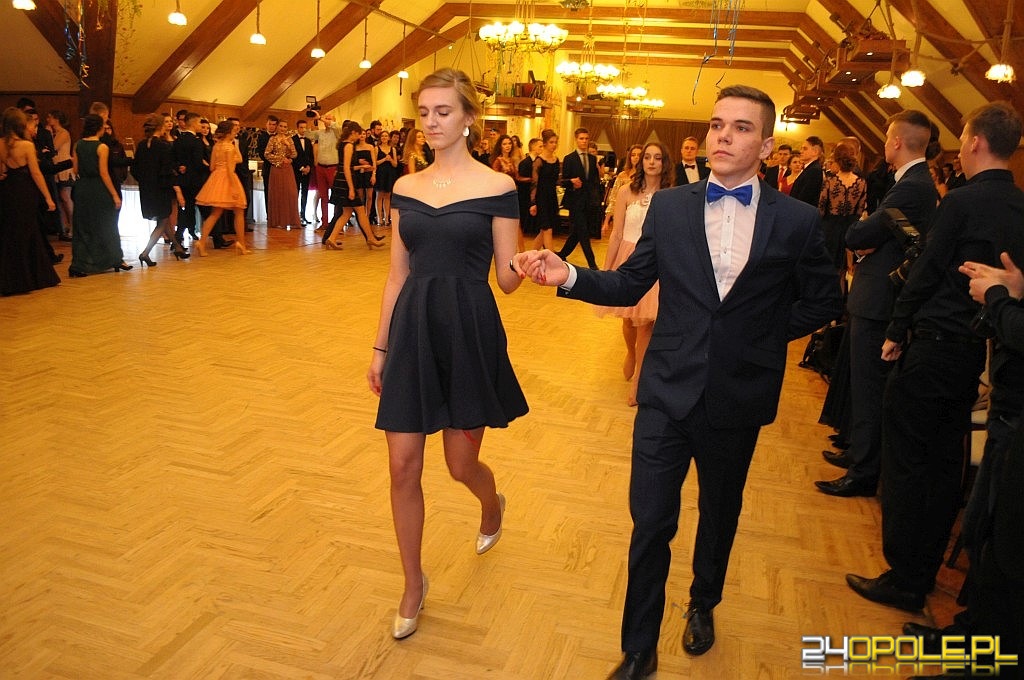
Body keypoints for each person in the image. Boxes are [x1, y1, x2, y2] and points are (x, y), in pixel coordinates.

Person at [516, 84, 842, 680]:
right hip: (665, 390)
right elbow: (629, 283)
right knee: (651, 522)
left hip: (737, 395)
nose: (724, 136)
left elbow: (823, 299)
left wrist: (760, 337)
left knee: (719, 513)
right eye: (717, 124)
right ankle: (639, 647)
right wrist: (570, 275)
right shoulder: (669, 208)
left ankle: (703, 603)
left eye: (741, 127)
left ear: (767, 144)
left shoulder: (797, 220)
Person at [367, 68, 527, 642]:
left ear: (468, 119)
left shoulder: (497, 185)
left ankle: (491, 502)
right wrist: (380, 347)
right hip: (412, 329)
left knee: (460, 465)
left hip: (468, 332)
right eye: (424, 113)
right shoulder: (406, 187)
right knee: (402, 466)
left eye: (443, 111)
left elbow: (506, 278)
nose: (431, 122)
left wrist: (528, 265)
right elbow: (396, 275)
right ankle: (413, 583)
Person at [846, 101, 1024, 615]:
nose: (961, 148)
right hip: (975, 349)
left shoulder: (962, 202)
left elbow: (925, 269)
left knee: (906, 465)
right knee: (944, 467)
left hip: (931, 346)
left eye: (963, 139)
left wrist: (895, 329)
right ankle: (921, 571)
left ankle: (904, 577)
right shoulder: (1019, 206)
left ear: (975, 142)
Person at [816, 110, 940, 499]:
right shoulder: (909, 182)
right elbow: (878, 231)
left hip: (880, 300)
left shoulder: (912, 186)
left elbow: (860, 233)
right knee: (861, 384)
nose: (885, 144)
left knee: (869, 389)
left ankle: (864, 472)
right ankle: (858, 452)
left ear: (897, 142)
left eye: (887, 138)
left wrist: (864, 228)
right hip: (874, 296)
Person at [595, 142, 673, 406]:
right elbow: (616, 233)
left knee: (646, 323)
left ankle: (640, 379)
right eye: (647, 157)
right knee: (628, 319)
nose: (651, 162)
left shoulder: (671, 195)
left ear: (664, 163)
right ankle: (630, 352)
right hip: (628, 256)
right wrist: (607, 269)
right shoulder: (626, 191)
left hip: (655, 261)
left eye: (657, 158)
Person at [0, 107, 60, 295]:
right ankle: (30, 278)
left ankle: (10, 279)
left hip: (6, 191)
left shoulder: (0, 144)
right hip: (25, 192)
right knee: (28, 232)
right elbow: (36, 173)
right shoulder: (26, 145)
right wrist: (48, 197)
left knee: (9, 233)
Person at [69, 114, 132, 276]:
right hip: (98, 188)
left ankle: (79, 264)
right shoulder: (102, 147)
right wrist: (114, 195)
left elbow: (75, 170)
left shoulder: (78, 144)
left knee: (83, 226)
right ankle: (114, 259)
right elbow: (104, 173)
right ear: (98, 128)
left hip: (82, 188)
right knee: (106, 224)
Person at [321, 121, 386, 250]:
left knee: (346, 213)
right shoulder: (349, 145)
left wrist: (362, 167)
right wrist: (351, 188)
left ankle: (331, 238)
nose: (359, 136)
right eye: (358, 134)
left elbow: (346, 166)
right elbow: (346, 167)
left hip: (341, 181)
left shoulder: (342, 144)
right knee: (360, 211)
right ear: (353, 132)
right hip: (346, 183)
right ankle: (371, 238)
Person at [134, 113, 189, 265]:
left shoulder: (141, 145)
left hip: (146, 189)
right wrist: (177, 179)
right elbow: (166, 169)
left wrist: (145, 181)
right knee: (163, 221)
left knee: (163, 220)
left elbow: (135, 169)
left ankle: (177, 247)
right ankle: (145, 253)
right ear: (160, 127)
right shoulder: (163, 146)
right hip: (161, 188)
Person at [193, 120, 250, 256]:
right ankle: (241, 244)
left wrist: (233, 149)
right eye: (234, 131)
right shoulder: (229, 148)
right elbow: (231, 169)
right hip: (229, 179)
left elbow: (212, 167)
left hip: (217, 177)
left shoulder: (217, 146)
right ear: (228, 132)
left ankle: (202, 241)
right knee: (239, 211)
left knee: (215, 213)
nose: (235, 133)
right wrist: (234, 188)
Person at [817, 142, 867, 276]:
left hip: (830, 227)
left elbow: (821, 208)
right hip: (850, 227)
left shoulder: (830, 181)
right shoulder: (861, 182)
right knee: (843, 270)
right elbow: (860, 209)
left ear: (837, 160)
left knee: (827, 266)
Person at [556, 127, 602, 270]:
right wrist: (571, 182)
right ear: (576, 140)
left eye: (586, 139)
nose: (584, 141)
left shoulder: (592, 159)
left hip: (588, 201)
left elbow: (594, 182)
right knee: (583, 232)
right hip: (574, 201)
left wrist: (595, 199)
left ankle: (562, 254)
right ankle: (592, 264)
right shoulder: (569, 158)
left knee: (577, 232)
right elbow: (563, 181)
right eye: (581, 138)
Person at [264, 120, 302, 229]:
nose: (283, 128)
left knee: (291, 193)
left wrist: (288, 147)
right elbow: (266, 154)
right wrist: (280, 159)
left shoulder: (289, 139)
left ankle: (290, 220)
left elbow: (294, 154)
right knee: (278, 194)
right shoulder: (273, 139)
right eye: (281, 126)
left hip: (287, 169)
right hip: (276, 168)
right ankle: (278, 221)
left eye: (285, 127)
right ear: (277, 127)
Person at [529, 129, 560, 251]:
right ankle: (551, 259)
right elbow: (534, 183)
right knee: (547, 230)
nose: (554, 145)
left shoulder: (556, 160)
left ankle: (529, 257)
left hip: (552, 197)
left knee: (543, 232)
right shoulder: (539, 161)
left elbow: (557, 180)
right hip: (541, 198)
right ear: (545, 143)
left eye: (555, 142)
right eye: (551, 142)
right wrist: (533, 203)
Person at [602, 144, 642, 236]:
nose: (636, 157)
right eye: (633, 155)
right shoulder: (622, 175)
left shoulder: (648, 176)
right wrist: (606, 221)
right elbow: (613, 198)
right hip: (622, 214)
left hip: (640, 216)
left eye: (639, 155)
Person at [788, 135, 824, 206]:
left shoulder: (814, 170)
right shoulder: (809, 168)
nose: (801, 151)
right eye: (801, 148)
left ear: (815, 152)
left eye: (805, 149)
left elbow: (805, 197)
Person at [375, 130, 400, 226]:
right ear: (380, 138)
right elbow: (375, 162)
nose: (384, 138)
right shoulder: (377, 148)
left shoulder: (392, 149)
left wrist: (390, 160)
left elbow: (395, 164)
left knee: (388, 196)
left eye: (386, 136)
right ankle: (379, 218)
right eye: (382, 136)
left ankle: (386, 218)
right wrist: (384, 159)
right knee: (379, 196)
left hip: (390, 174)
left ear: (389, 138)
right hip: (380, 174)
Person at [292, 119, 314, 224]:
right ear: (297, 128)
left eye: (305, 127)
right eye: (301, 127)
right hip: (296, 171)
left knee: (305, 193)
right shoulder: (292, 140)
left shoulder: (308, 141)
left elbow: (311, 156)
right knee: (295, 193)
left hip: (307, 171)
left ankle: (303, 215)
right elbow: (293, 157)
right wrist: (301, 168)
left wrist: (308, 167)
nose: (303, 129)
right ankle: (294, 216)